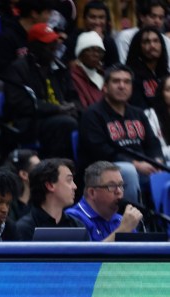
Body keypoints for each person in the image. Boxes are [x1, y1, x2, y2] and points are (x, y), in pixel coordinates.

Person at [78, 64, 163, 204]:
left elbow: (153, 143)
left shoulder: (138, 113)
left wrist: (157, 161)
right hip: (106, 169)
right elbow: (100, 151)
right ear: (104, 87)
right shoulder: (92, 114)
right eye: (116, 81)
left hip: (142, 167)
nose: (122, 86)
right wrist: (136, 165)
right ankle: (134, 220)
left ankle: (163, 220)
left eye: (127, 82)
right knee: (128, 171)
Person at [4, 23, 80, 159]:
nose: (53, 48)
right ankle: (55, 167)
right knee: (66, 124)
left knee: (88, 119)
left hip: (61, 114)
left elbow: (72, 94)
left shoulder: (59, 67)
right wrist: (56, 109)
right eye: (48, 44)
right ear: (33, 47)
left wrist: (73, 106)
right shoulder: (19, 68)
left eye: (54, 43)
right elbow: (20, 103)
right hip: (32, 121)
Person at [65, 160, 143, 241]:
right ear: (92, 192)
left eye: (120, 185)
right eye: (111, 186)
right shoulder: (73, 218)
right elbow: (87, 253)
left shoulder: (120, 220)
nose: (119, 191)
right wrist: (123, 230)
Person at [16, 157, 85, 240]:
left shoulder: (77, 226)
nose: (75, 186)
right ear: (50, 185)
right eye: (69, 180)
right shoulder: (25, 228)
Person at [0, 0, 54, 74]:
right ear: (34, 14)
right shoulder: (5, 38)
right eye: (47, 13)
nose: (49, 17)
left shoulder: (43, 36)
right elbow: (4, 73)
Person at [63, 1, 119, 68]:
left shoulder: (109, 42)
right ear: (84, 19)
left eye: (101, 17)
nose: (97, 22)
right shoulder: (73, 38)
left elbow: (116, 68)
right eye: (92, 17)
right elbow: (68, 65)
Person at [115, 0, 170, 68]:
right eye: (153, 16)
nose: (157, 21)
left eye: (161, 18)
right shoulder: (126, 36)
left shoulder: (167, 41)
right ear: (142, 17)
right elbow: (122, 65)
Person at [125, 27, 169, 110]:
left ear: (161, 45)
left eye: (156, 41)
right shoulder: (131, 75)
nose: (152, 46)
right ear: (138, 46)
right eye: (146, 42)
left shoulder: (166, 75)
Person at [2, 148, 41, 221]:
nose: (43, 171)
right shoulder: (6, 206)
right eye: (38, 167)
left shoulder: (40, 202)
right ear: (24, 174)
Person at [70, 31, 106, 108]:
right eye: (91, 50)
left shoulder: (104, 75)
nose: (96, 54)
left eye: (99, 51)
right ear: (80, 54)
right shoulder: (73, 77)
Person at [146, 74, 170, 163]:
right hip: (161, 162)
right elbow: (152, 149)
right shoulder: (150, 115)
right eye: (168, 89)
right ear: (161, 93)